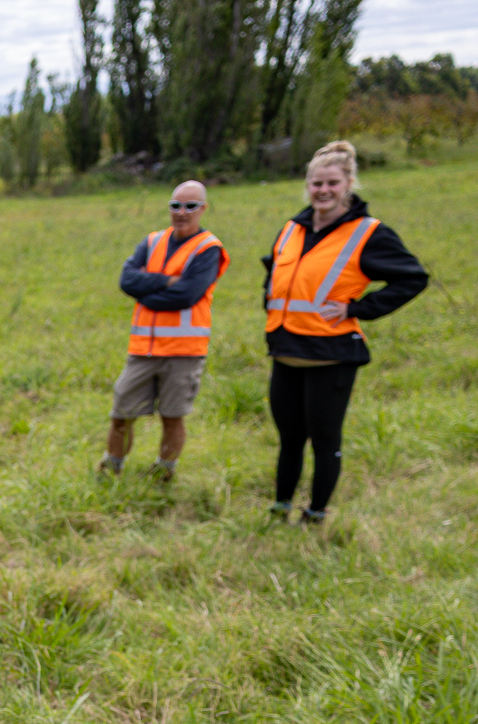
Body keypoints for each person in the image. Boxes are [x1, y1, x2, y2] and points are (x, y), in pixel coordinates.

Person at [262, 140, 428, 524]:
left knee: (324, 441)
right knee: (289, 439)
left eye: (332, 183)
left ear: (348, 184)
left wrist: (357, 309)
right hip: (285, 350)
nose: (323, 191)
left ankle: (316, 514)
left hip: (331, 355)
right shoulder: (292, 228)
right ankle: (280, 506)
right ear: (307, 185)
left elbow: (413, 278)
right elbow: (274, 274)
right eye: (317, 183)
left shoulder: (368, 233)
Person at [102, 180, 227, 480]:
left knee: (172, 417)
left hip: (183, 353)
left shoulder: (208, 249)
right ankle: (110, 469)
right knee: (121, 415)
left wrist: (147, 289)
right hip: (143, 350)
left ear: (203, 209)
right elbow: (126, 280)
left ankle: (164, 473)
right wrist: (166, 281)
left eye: (190, 206)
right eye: (175, 205)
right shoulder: (152, 241)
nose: (181, 212)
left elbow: (186, 295)